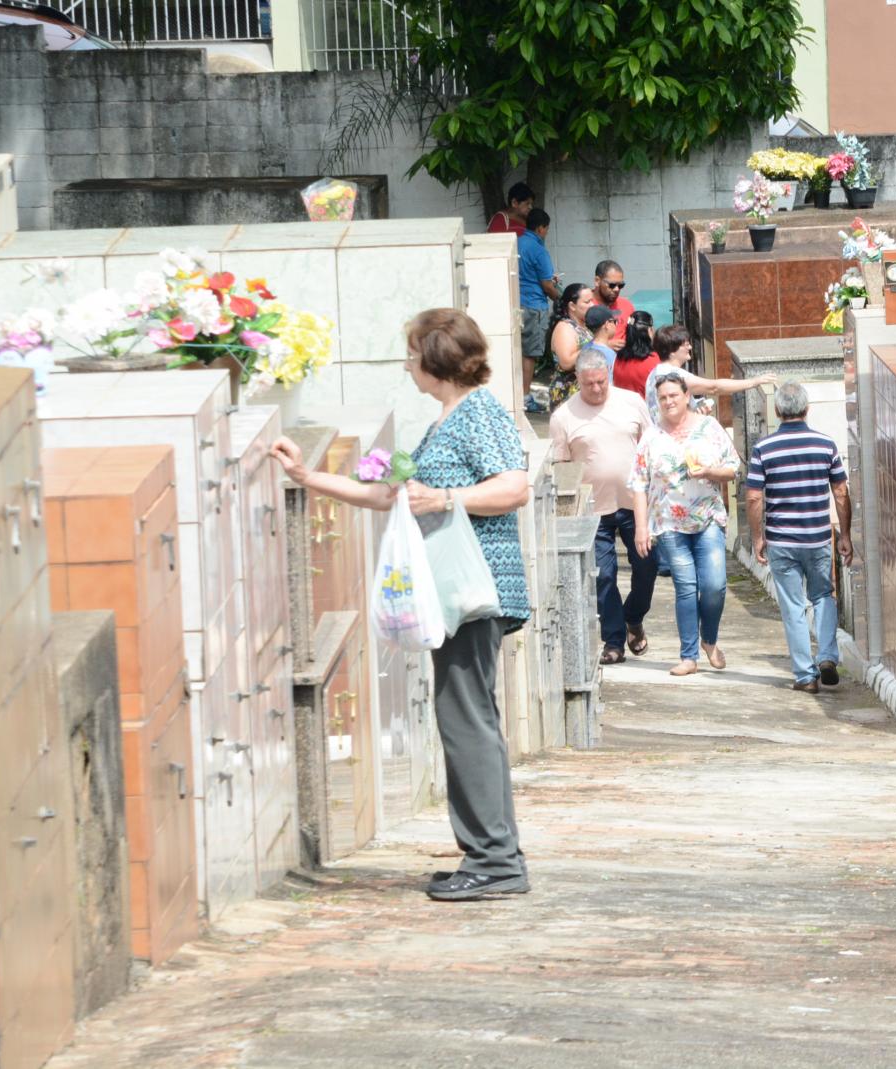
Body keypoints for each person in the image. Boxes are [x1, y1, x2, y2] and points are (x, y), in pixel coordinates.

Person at [269, 308, 532, 901]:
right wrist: (307, 477)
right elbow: (390, 496)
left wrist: (444, 495)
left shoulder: (477, 413)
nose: (407, 364)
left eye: (412, 354)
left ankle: (495, 863)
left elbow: (513, 487)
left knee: (467, 722)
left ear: (436, 358)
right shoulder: (447, 421)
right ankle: (490, 855)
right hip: (458, 593)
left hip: (472, 589)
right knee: (464, 718)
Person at [549, 350, 657, 665]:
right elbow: (561, 468)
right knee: (604, 576)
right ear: (578, 382)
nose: (596, 389)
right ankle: (613, 640)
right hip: (593, 510)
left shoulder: (631, 402)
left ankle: (633, 617)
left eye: (601, 382)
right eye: (588, 384)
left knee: (648, 566)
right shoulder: (564, 417)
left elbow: (650, 446)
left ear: (608, 375)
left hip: (635, 504)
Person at [746, 382, 854, 693]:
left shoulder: (763, 449)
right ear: (806, 409)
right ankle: (828, 656)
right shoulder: (825, 444)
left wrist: (757, 538)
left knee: (793, 605)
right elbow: (841, 492)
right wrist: (844, 534)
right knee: (823, 595)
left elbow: (754, 498)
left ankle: (806, 676)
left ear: (777, 411)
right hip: (818, 537)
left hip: (782, 540)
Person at [631, 371, 740, 677]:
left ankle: (709, 639)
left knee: (714, 585)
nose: (668, 402)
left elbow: (733, 468)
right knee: (685, 588)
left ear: (686, 396)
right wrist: (642, 527)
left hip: (707, 517)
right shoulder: (652, 436)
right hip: (668, 523)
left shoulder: (708, 427)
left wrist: (709, 471)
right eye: (663, 397)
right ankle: (688, 655)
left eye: (673, 396)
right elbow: (638, 483)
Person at [643, 324, 775, 424]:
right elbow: (714, 387)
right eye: (686, 345)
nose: (690, 348)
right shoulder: (674, 375)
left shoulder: (654, 373)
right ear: (672, 351)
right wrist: (754, 381)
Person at [517, 207, 560, 414]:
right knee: (530, 355)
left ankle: (518, 395)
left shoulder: (516, 243)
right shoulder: (539, 250)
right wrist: (561, 299)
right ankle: (525, 397)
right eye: (546, 229)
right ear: (542, 228)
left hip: (516, 304)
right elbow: (547, 285)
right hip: (534, 306)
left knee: (516, 352)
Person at [547, 283, 595, 412]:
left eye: (592, 301)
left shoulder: (584, 327)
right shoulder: (565, 327)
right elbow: (566, 362)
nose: (592, 305)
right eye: (587, 302)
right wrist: (596, 345)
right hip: (568, 394)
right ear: (572, 306)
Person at [611, 310, 657, 396]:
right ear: (650, 331)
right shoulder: (654, 361)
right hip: (644, 408)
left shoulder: (618, 359)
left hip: (622, 406)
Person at [593, 259, 636, 348]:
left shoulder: (627, 305)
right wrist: (605, 345)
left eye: (620, 285)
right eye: (612, 285)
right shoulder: (585, 305)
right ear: (597, 281)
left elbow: (635, 332)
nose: (617, 289)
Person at [582, 305, 620, 372]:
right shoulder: (610, 355)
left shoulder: (584, 348)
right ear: (607, 324)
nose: (615, 324)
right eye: (614, 321)